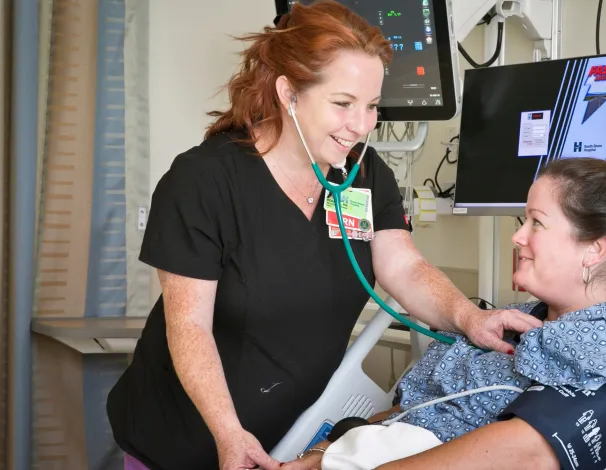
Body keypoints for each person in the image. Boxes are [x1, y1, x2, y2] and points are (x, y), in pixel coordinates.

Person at [105, 2, 542, 469]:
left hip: (293, 438)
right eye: (342, 103)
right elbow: (189, 327)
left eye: (372, 106)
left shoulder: (364, 174)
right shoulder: (204, 181)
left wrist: (467, 317)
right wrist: (229, 432)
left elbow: (402, 265)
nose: (361, 125)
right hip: (186, 439)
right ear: (288, 94)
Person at [282, 157, 606, 470]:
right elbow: (415, 409)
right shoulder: (514, 321)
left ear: (594, 250)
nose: (519, 237)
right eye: (524, 222)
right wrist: (329, 447)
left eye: (537, 222)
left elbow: (531, 450)